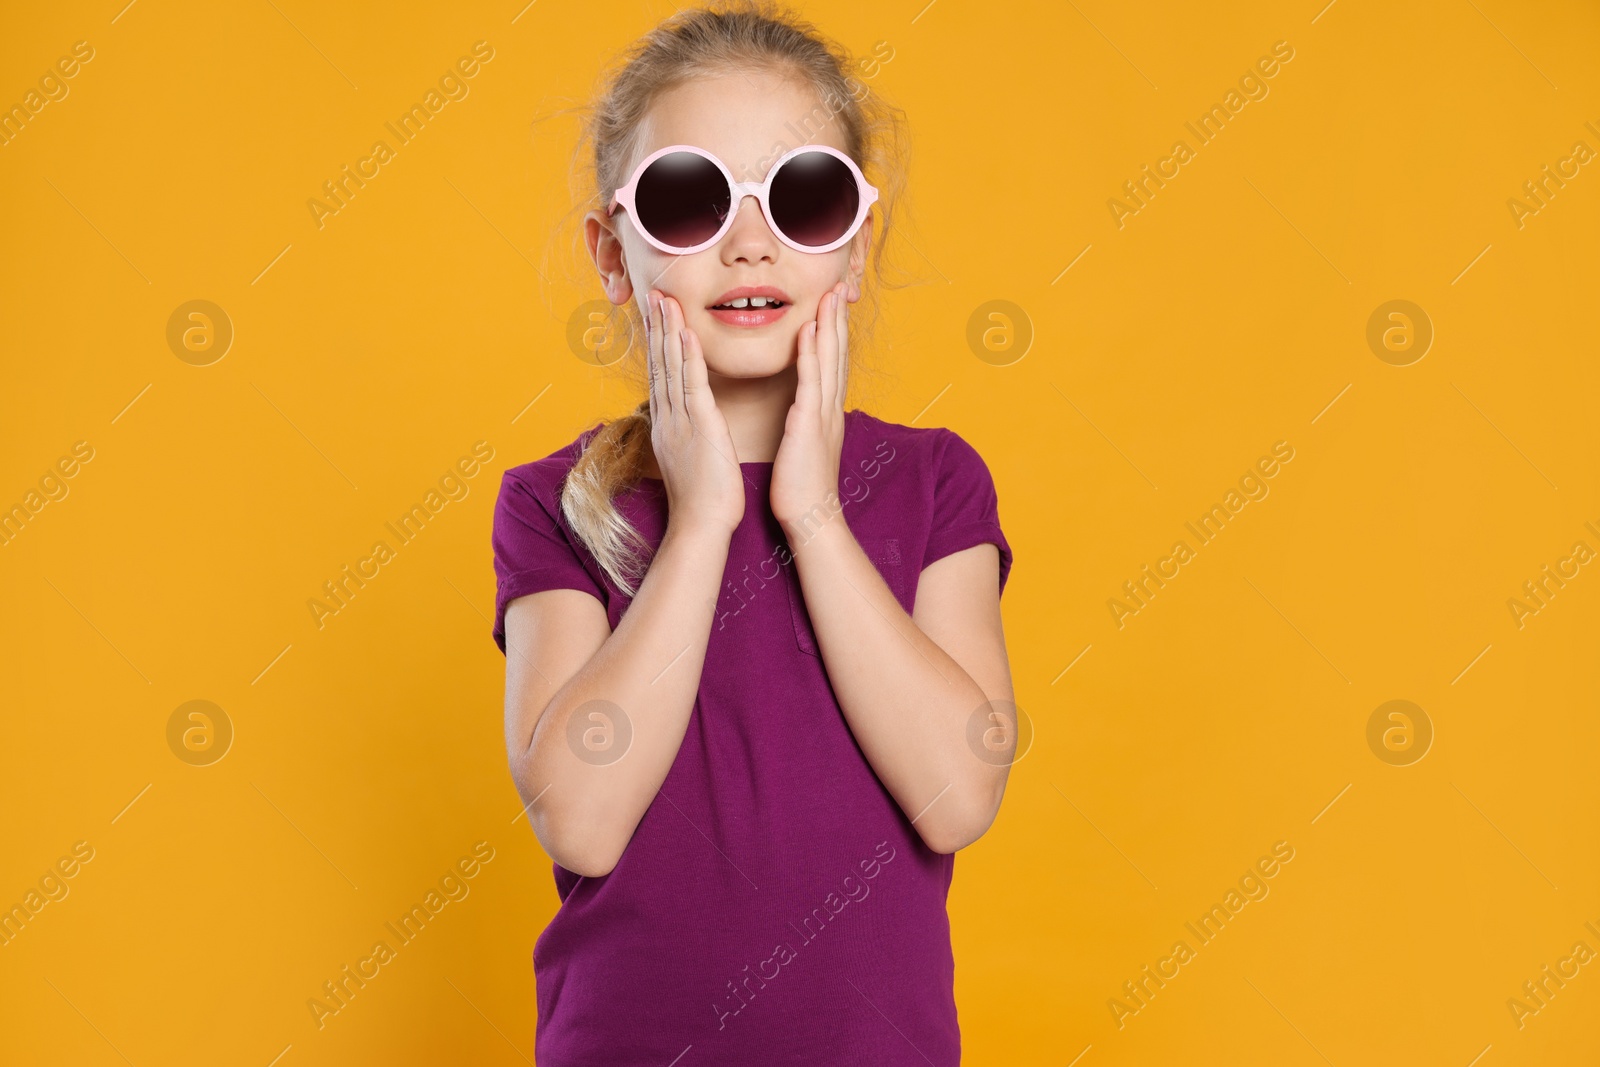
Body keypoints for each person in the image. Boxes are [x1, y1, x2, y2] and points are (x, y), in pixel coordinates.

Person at [490, 4, 1017, 1062]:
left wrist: (811, 513)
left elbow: (960, 792)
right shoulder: (554, 501)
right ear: (612, 253)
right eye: (687, 201)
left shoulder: (931, 481)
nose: (746, 243)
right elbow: (580, 819)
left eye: (800, 197)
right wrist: (700, 525)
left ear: (855, 247)